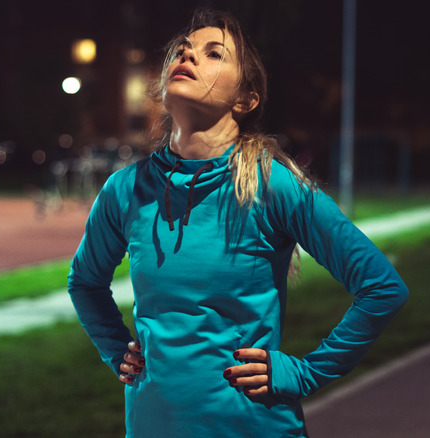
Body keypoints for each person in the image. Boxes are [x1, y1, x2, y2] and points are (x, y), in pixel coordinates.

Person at [68, 8, 408, 437]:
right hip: (153, 425)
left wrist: (306, 374)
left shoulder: (272, 184)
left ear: (245, 100)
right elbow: (84, 282)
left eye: (213, 54)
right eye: (183, 50)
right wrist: (116, 350)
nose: (187, 57)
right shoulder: (125, 189)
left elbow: (382, 287)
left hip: (252, 426)